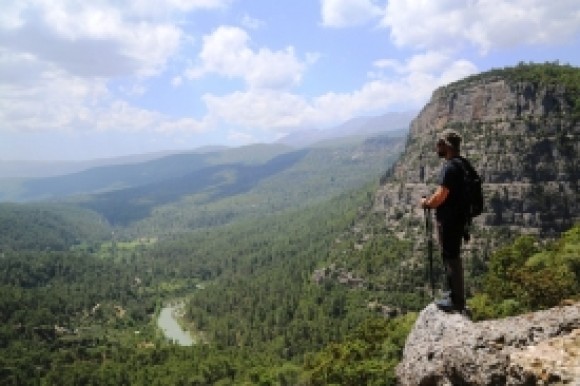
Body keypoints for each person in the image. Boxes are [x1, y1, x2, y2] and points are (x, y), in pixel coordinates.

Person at [420, 129, 467, 312]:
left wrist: (427, 203)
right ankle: (454, 295)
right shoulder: (462, 164)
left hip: (450, 220)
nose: (436, 147)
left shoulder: (449, 167)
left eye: (439, 144)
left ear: (446, 146)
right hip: (458, 218)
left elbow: (442, 194)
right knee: (451, 255)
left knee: (450, 257)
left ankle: (457, 301)